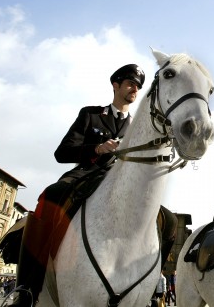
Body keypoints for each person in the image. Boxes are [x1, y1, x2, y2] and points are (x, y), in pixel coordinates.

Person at [9, 64, 177, 307]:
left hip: (123, 184)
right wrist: (96, 149)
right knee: (51, 196)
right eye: (130, 83)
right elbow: (62, 152)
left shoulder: (137, 127)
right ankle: (25, 288)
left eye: (138, 85)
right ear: (116, 85)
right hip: (87, 175)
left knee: (169, 220)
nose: (134, 88)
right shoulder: (91, 114)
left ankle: (149, 284)